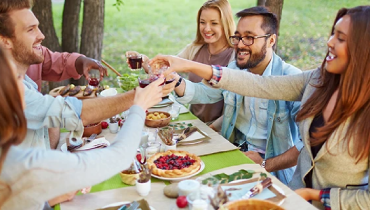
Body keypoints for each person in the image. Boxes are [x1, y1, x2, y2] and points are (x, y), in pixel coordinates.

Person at [151, 5, 370, 209]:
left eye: (340, 38)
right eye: (333, 34)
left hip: (298, 191)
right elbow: (260, 85)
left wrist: (315, 196)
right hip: (288, 193)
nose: (330, 42)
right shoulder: (318, 80)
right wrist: (186, 67)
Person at [151, 7, 303, 185]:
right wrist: (176, 81)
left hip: (273, 173)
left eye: (249, 37)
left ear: (271, 41)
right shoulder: (234, 68)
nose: (239, 44)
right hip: (232, 153)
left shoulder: (292, 79)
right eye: (238, 37)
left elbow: (307, 143)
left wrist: (265, 164)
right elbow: (204, 93)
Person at [0, 47, 164, 209]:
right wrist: (139, 105)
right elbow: (120, 157)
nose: (29, 85)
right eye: (19, 78)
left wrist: (49, 200)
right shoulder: (23, 164)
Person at [0, 0, 136, 150]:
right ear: (4, 40)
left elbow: (52, 61)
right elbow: (79, 113)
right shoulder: (9, 91)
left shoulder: (20, 69)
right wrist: (137, 96)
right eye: (31, 29)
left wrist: (80, 61)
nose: (42, 36)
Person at [127, 0, 235, 124]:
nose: (207, 28)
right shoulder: (195, 48)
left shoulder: (234, 56)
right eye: (202, 22)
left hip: (220, 130)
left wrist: (213, 129)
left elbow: (236, 107)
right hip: (193, 121)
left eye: (214, 23)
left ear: (225, 24)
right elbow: (166, 71)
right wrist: (145, 62)